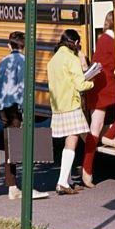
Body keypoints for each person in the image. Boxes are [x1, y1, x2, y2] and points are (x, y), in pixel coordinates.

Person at [0, 32, 47, 202]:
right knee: (22, 148)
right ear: (24, 47)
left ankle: (12, 186)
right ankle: (23, 187)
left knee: (11, 147)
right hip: (16, 109)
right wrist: (26, 110)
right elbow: (24, 88)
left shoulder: (2, 62)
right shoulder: (24, 62)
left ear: (9, 46)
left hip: (3, 108)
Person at [46, 29, 93, 195]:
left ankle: (68, 180)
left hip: (58, 105)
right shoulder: (72, 59)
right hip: (71, 104)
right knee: (72, 142)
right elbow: (80, 85)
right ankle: (62, 182)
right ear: (76, 43)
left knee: (70, 141)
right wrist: (92, 82)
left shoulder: (53, 60)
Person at [82, 12, 115, 188]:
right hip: (107, 88)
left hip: (99, 88)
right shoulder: (112, 41)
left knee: (95, 128)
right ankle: (110, 136)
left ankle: (87, 169)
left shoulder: (103, 38)